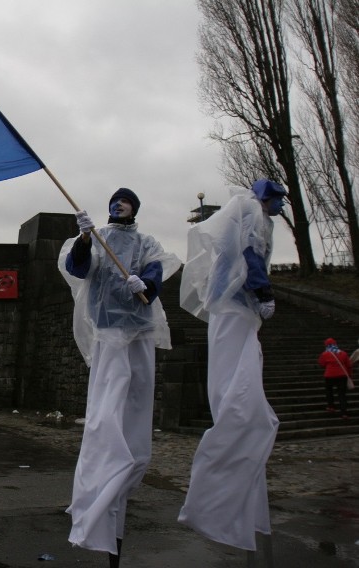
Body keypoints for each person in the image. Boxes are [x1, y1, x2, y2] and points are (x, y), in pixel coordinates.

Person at [57, 187, 181, 567]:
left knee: (138, 406)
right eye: (114, 200)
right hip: (110, 332)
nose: (117, 204)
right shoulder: (99, 239)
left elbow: (156, 269)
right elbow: (79, 269)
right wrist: (82, 239)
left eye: (124, 201)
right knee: (106, 413)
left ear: (135, 208)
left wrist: (147, 284)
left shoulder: (145, 242)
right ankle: (101, 489)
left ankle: (121, 485)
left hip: (139, 332)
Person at [177, 179, 287, 552]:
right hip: (235, 306)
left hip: (235, 309)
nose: (279, 208)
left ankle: (232, 495)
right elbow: (248, 253)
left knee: (237, 392)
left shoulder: (248, 212)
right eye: (278, 201)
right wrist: (262, 290)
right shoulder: (250, 212)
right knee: (236, 396)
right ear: (267, 199)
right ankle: (217, 496)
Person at [318, 338, 352, 418]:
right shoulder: (343, 353)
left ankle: (331, 406)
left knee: (329, 391)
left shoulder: (325, 354)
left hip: (329, 376)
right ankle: (344, 412)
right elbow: (349, 366)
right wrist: (349, 376)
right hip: (342, 376)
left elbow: (321, 364)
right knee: (342, 394)